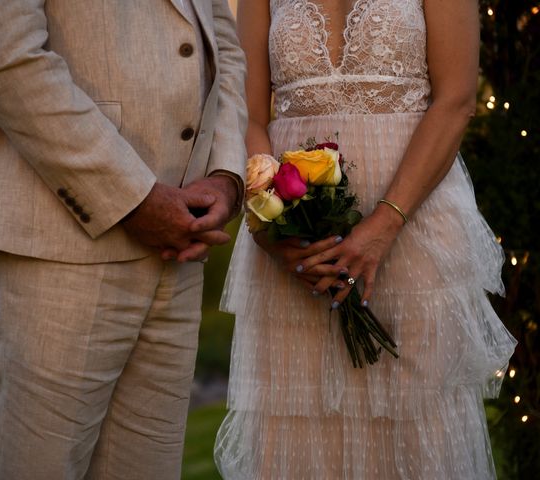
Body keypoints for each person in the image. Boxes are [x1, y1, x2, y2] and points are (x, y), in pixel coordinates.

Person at [215, 1, 516, 478]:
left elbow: (456, 99)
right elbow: (247, 113)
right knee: (299, 428)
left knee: (417, 426)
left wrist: (384, 224)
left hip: (415, 228)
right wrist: (270, 219)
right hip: (297, 240)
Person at [0, 1, 246, 478]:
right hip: (55, 241)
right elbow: (0, 54)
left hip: (182, 246)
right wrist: (132, 198)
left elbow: (224, 47)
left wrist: (227, 175)